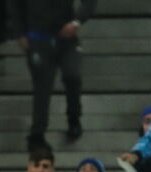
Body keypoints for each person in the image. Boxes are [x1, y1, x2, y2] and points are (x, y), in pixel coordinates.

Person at [7, 0, 96, 147]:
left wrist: (77, 21)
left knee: (72, 75)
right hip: (39, 36)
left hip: (67, 36)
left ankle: (74, 118)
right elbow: (14, 5)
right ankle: (37, 133)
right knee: (42, 85)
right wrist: (19, 33)